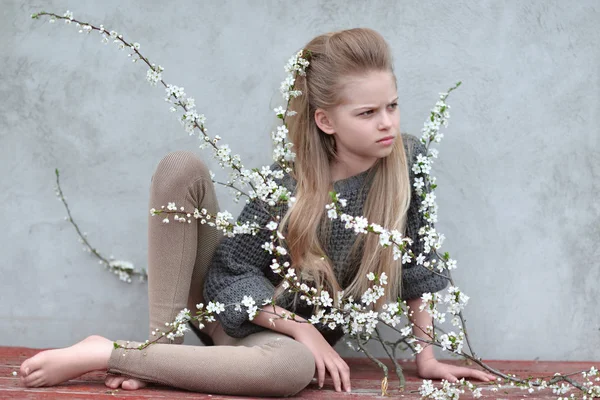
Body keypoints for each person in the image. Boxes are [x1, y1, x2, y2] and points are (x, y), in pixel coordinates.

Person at [19, 28, 495, 396]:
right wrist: (302, 327)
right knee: (180, 167)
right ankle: (150, 350)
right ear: (325, 120)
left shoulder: (408, 163)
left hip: (269, 346)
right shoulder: (291, 185)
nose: (387, 122)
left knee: (291, 368)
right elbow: (229, 272)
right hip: (232, 311)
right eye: (367, 113)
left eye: (392, 105)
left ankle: (133, 360)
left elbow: (419, 265)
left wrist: (426, 357)